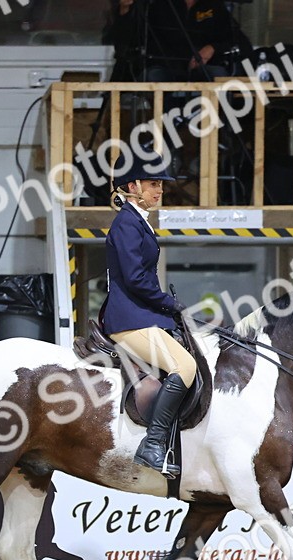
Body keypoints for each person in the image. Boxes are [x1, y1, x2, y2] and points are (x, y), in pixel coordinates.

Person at [103, 150, 195, 478]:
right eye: (153, 184)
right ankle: (153, 444)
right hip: (129, 319)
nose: (160, 191)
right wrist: (171, 305)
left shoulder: (138, 221)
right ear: (132, 185)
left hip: (143, 314)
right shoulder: (127, 223)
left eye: (161, 185)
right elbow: (136, 279)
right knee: (185, 366)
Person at [110, 0, 250, 82]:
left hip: (203, 69)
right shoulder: (155, 4)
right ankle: (166, 130)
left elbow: (240, 43)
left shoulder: (214, 6)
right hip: (163, 67)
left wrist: (213, 48)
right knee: (155, 77)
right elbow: (126, 41)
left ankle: (219, 130)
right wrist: (125, 10)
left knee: (219, 75)